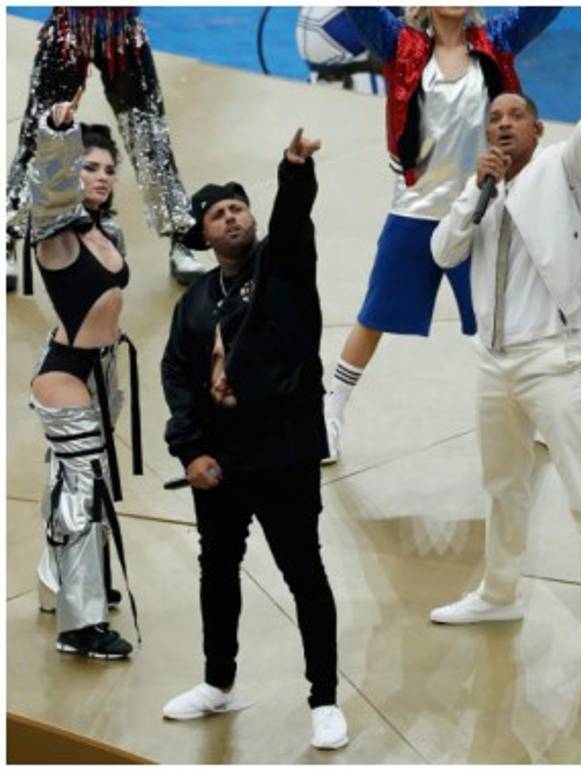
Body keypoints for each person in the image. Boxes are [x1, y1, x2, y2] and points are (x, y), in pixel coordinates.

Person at [159, 128, 347, 750]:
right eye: (218, 213)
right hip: (221, 465)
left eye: (238, 207)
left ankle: (324, 698)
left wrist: (293, 170)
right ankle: (218, 683)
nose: (232, 217)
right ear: (205, 235)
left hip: (284, 453)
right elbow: (178, 379)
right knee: (218, 572)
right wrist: (192, 452)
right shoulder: (192, 306)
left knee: (304, 574)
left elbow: (293, 218)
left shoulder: (282, 264)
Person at [322, 6, 559, 464]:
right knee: (373, 318)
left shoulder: (498, 41)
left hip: (482, 211)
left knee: (505, 323)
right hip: (415, 210)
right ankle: (331, 412)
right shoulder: (400, 45)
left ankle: (529, 411)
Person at [428, 76, 581, 674]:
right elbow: (443, 252)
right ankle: (499, 595)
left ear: (538, 129)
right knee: (503, 486)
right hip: (493, 361)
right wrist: (475, 192)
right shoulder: (479, 190)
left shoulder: (563, 168)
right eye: (494, 118)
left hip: (553, 356)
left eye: (515, 116)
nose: (503, 124)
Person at [27, 89, 141, 660]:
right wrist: (55, 133)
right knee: (81, 495)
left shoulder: (104, 230)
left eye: (106, 170)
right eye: (88, 168)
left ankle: (62, 585)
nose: (100, 177)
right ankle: (79, 626)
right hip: (66, 375)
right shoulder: (58, 236)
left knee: (70, 486)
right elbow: (45, 195)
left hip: (103, 373)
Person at [7, 7, 205, 290]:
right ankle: (7, 238)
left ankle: (181, 240)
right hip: (69, 28)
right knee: (38, 136)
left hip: (123, 30)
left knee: (151, 140)